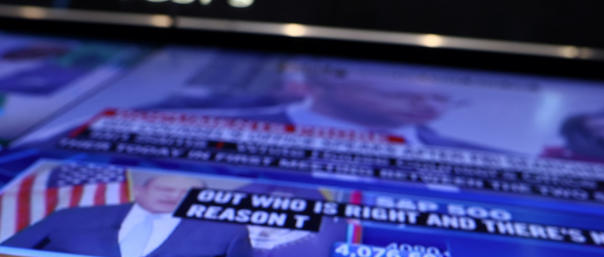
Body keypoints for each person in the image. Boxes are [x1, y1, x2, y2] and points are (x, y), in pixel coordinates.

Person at [141, 65, 495, 150]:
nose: (428, 101)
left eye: (441, 96)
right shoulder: (186, 128)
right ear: (327, 75)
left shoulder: (490, 161)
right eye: (407, 90)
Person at [1, 174, 254, 257]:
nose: (173, 196)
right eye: (165, 188)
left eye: (186, 194)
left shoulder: (227, 233)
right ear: (139, 191)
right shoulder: (72, 216)